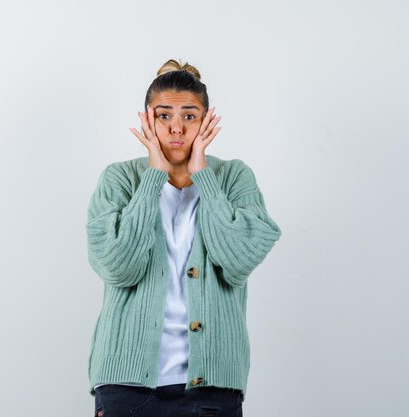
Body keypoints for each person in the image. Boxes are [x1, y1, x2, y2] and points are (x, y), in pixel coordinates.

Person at [85, 59, 282, 417]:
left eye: (190, 116)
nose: (177, 128)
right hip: (127, 388)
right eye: (164, 116)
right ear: (147, 119)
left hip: (212, 388)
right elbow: (117, 268)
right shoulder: (119, 180)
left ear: (206, 121)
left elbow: (238, 261)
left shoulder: (234, 178)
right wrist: (153, 179)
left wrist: (203, 176)